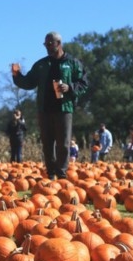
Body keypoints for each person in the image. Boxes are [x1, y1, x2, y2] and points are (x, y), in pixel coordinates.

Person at [11, 31, 89, 179]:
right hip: (44, 109)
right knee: (47, 143)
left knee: (64, 144)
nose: (47, 46)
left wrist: (69, 87)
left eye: (50, 43)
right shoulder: (41, 65)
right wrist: (17, 75)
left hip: (64, 109)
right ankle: (51, 173)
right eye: (45, 44)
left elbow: (83, 83)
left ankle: (62, 174)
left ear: (58, 44)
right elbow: (29, 82)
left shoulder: (72, 63)